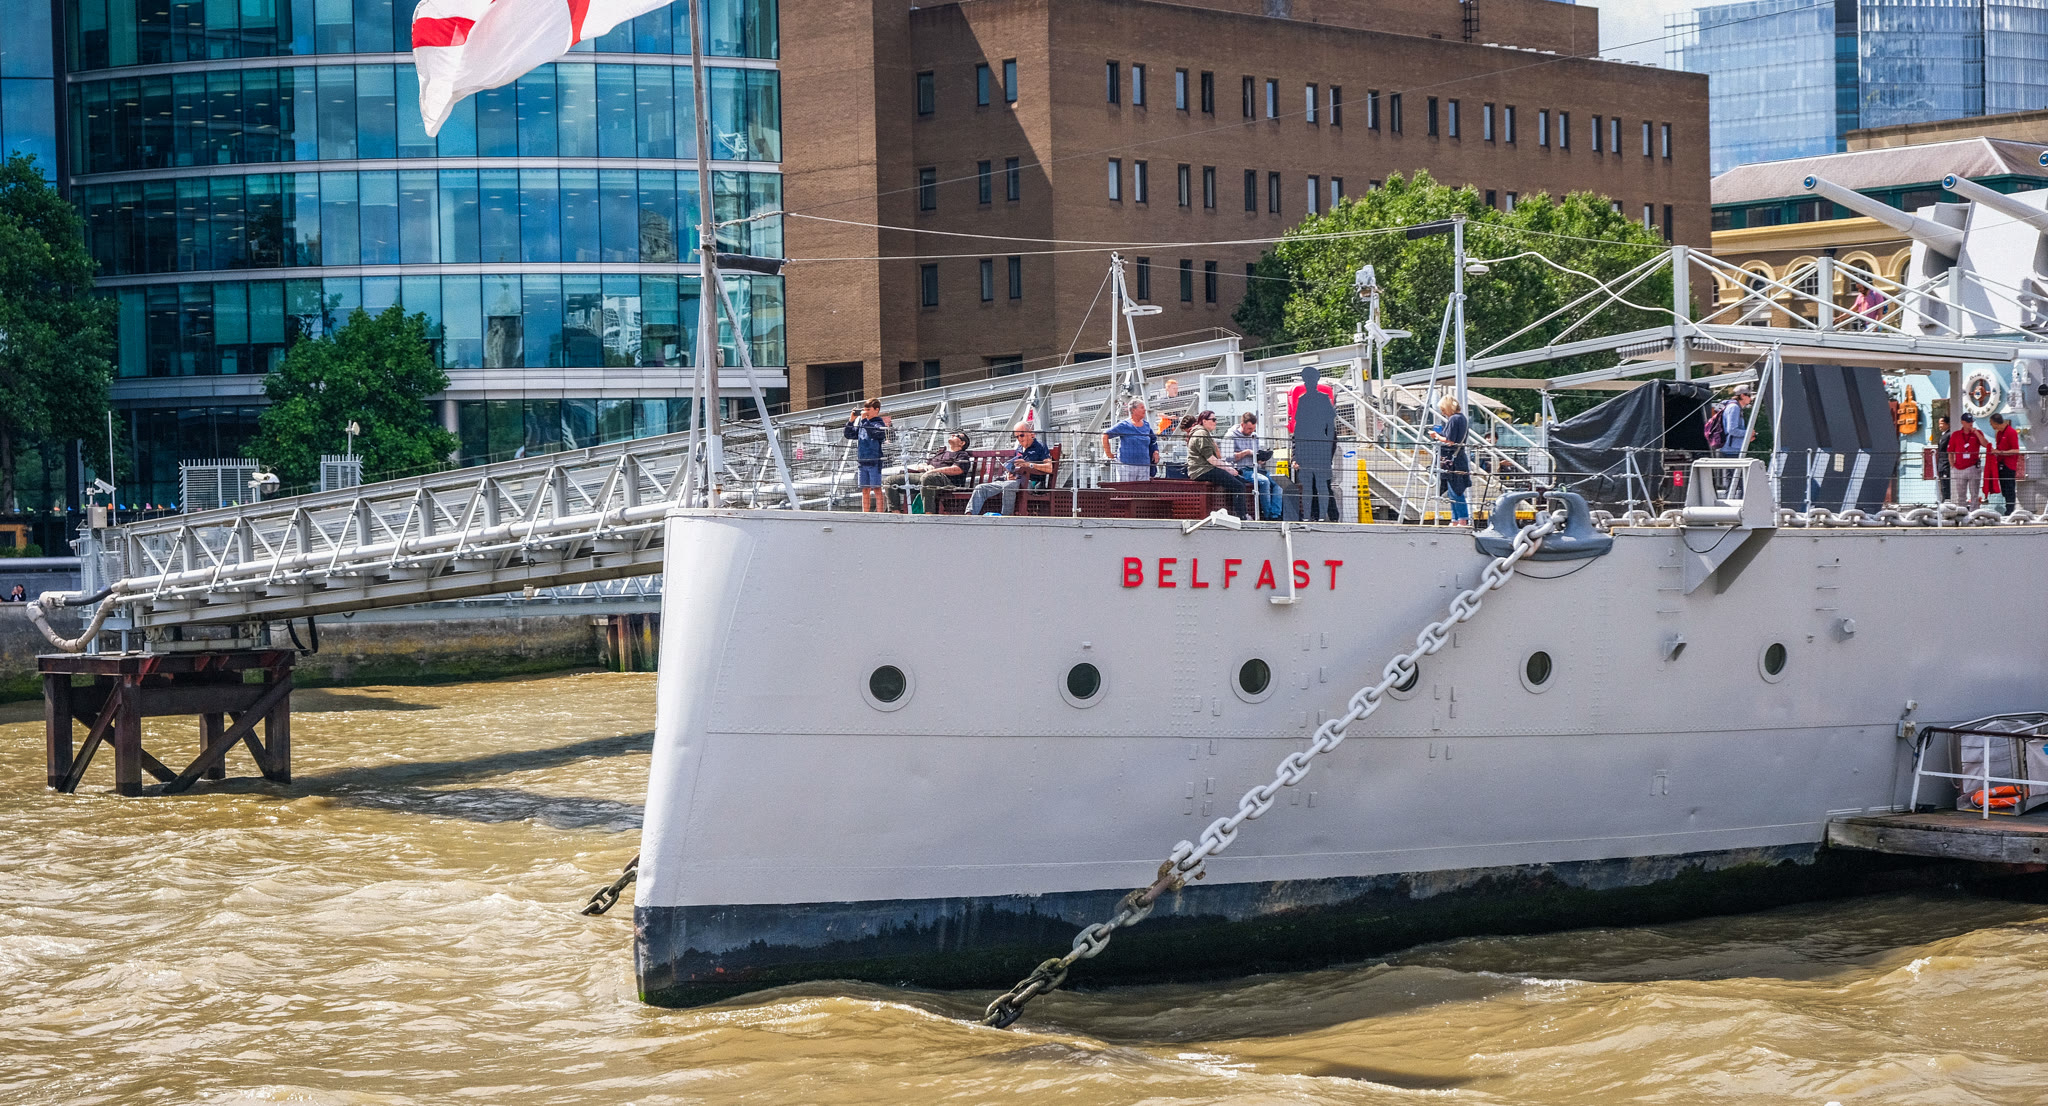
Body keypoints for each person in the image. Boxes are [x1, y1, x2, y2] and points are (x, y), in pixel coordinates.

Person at [965, 421, 1053, 515]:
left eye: (1021, 435)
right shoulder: (1019, 449)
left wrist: (1029, 465)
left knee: (1008, 487)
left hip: (1030, 482)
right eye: (1017, 437)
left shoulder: (1040, 446)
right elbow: (1014, 466)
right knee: (980, 488)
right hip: (1013, 480)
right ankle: (970, 515)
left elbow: (1049, 468)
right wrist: (1009, 474)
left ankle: (1006, 517)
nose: (1019, 439)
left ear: (1031, 433)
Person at [1291, 364, 1340, 520]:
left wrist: (1328, 454)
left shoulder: (1323, 399)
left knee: (1324, 485)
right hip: (1307, 453)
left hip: (1320, 451)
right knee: (1309, 486)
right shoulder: (1302, 400)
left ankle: (1332, 516)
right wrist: (1295, 457)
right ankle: (1312, 516)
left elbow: (1331, 431)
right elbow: (1297, 433)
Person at [884, 431, 973, 512]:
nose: (952, 435)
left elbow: (957, 469)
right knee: (890, 481)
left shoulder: (962, 455)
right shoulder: (941, 453)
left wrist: (934, 471)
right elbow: (920, 466)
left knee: (927, 478)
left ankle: (929, 513)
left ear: (962, 443)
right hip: (926, 476)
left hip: (946, 481)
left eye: (956, 435)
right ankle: (896, 513)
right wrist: (926, 466)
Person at [1185, 410, 1251, 517]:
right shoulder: (1201, 434)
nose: (1216, 422)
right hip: (1202, 470)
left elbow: (1217, 457)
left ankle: (1236, 513)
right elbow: (1211, 459)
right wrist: (1229, 469)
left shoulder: (1204, 433)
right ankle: (1242, 516)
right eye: (1213, 419)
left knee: (1240, 481)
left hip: (1205, 469)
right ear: (1204, 421)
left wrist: (1227, 468)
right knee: (1238, 485)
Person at [1427, 395, 1472, 525]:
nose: (1443, 413)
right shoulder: (1462, 418)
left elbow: (1449, 441)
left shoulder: (1454, 419)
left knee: (1455, 491)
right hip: (1459, 457)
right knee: (1454, 491)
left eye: (1443, 409)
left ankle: (1461, 519)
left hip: (1453, 460)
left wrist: (1436, 436)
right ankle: (1456, 519)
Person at [1228, 411, 1280, 520]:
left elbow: (1256, 453)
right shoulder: (1231, 436)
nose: (1252, 431)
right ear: (1242, 425)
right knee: (1264, 481)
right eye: (1249, 429)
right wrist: (1246, 453)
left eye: (1253, 429)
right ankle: (1268, 515)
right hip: (1242, 469)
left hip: (1256, 467)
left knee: (1279, 482)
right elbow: (1227, 457)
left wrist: (1262, 458)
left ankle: (1275, 514)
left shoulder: (1254, 436)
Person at [843, 399, 891, 512]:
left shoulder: (878, 423)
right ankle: (865, 512)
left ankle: (880, 513)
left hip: (874, 461)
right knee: (865, 489)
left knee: (877, 489)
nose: (865, 412)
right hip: (862, 461)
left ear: (876, 410)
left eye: (868, 409)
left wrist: (864, 420)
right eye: (864, 410)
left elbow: (875, 433)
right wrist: (851, 421)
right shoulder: (862, 423)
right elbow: (849, 434)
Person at [1102, 400, 1159, 482]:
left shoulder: (1146, 425)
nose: (1145, 410)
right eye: (1142, 407)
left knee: (1142, 489)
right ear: (1134, 410)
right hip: (1126, 465)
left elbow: (1153, 440)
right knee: (1126, 489)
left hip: (1144, 465)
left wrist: (1155, 451)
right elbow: (1105, 435)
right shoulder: (1124, 425)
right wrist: (1109, 454)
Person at [1946, 411, 1988, 508]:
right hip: (1959, 468)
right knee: (1961, 495)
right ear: (1963, 422)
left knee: (1974, 493)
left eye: (1972, 421)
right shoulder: (1956, 434)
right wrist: (1952, 465)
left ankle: (1974, 511)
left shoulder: (1977, 433)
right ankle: (1962, 511)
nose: (1971, 424)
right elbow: (1950, 451)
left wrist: (1976, 433)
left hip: (1973, 467)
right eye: (1968, 422)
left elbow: (1986, 444)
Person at [1986, 411, 2021, 515]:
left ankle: (2010, 510)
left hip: (2009, 465)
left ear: (1995, 423)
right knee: (2004, 488)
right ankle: (2007, 508)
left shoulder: (2011, 432)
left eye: (1991, 423)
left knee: (2009, 487)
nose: (1991, 426)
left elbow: (2016, 450)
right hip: (2001, 464)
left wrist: (2001, 452)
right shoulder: (1999, 433)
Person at [1930, 414, 1952, 491]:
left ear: (1948, 424)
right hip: (1941, 464)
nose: (1940, 426)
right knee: (1942, 485)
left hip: (1946, 463)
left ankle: (1947, 497)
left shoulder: (1949, 435)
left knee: (1946, 485)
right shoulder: (1943, 435)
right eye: (1939, 424)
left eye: (1941, 423)